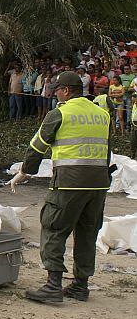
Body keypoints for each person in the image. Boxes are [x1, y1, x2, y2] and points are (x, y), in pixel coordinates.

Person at [9, 71, 111, 304]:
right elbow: (107, 151)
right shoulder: (101, 114)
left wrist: (25, 172)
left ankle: (53, 285)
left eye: (57, 90)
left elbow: (37, 147)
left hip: (68, 183)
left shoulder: (60, 114)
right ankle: (80, 285)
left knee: (54, 227)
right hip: (98, 184)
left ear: (65, 91)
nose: (55, 94)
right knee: (87, 232)